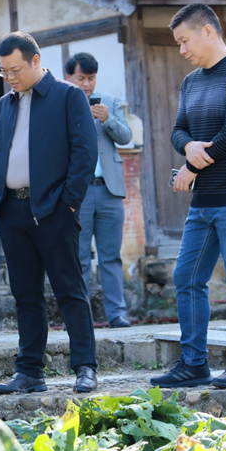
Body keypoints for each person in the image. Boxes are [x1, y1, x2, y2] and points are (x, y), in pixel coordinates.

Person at [150, 4, 226, 389]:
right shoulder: (191, 82)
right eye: (178, 43)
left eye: (185, 41)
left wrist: (192, 167)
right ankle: (194, 364)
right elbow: (178, 130)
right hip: (204, 201)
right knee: (186, 276)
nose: (182, 50)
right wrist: (188, 147)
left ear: (208, 32)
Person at [0, 32, 99, 395]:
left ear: (36, 61)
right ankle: (29, 371)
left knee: (69, 290)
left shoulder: (68, 96)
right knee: (25, 295)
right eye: (4, 71)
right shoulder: (5, 103)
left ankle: (85, 367)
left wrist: (68, 203)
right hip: (12, 210)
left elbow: (85, 153)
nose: (10, 77)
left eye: (15, 70)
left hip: (54, 209)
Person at [65, 53, 133, 329]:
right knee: (77, 258)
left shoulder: (109, 102)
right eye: (81, 78)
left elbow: (126, 137)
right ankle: (81, 318)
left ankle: (117, 314)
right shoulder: (62, 102)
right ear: (69, 77)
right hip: (78, 194)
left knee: (111, 256)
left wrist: (108, 119)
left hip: (109, 190)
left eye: (91, 78)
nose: (86, 84)